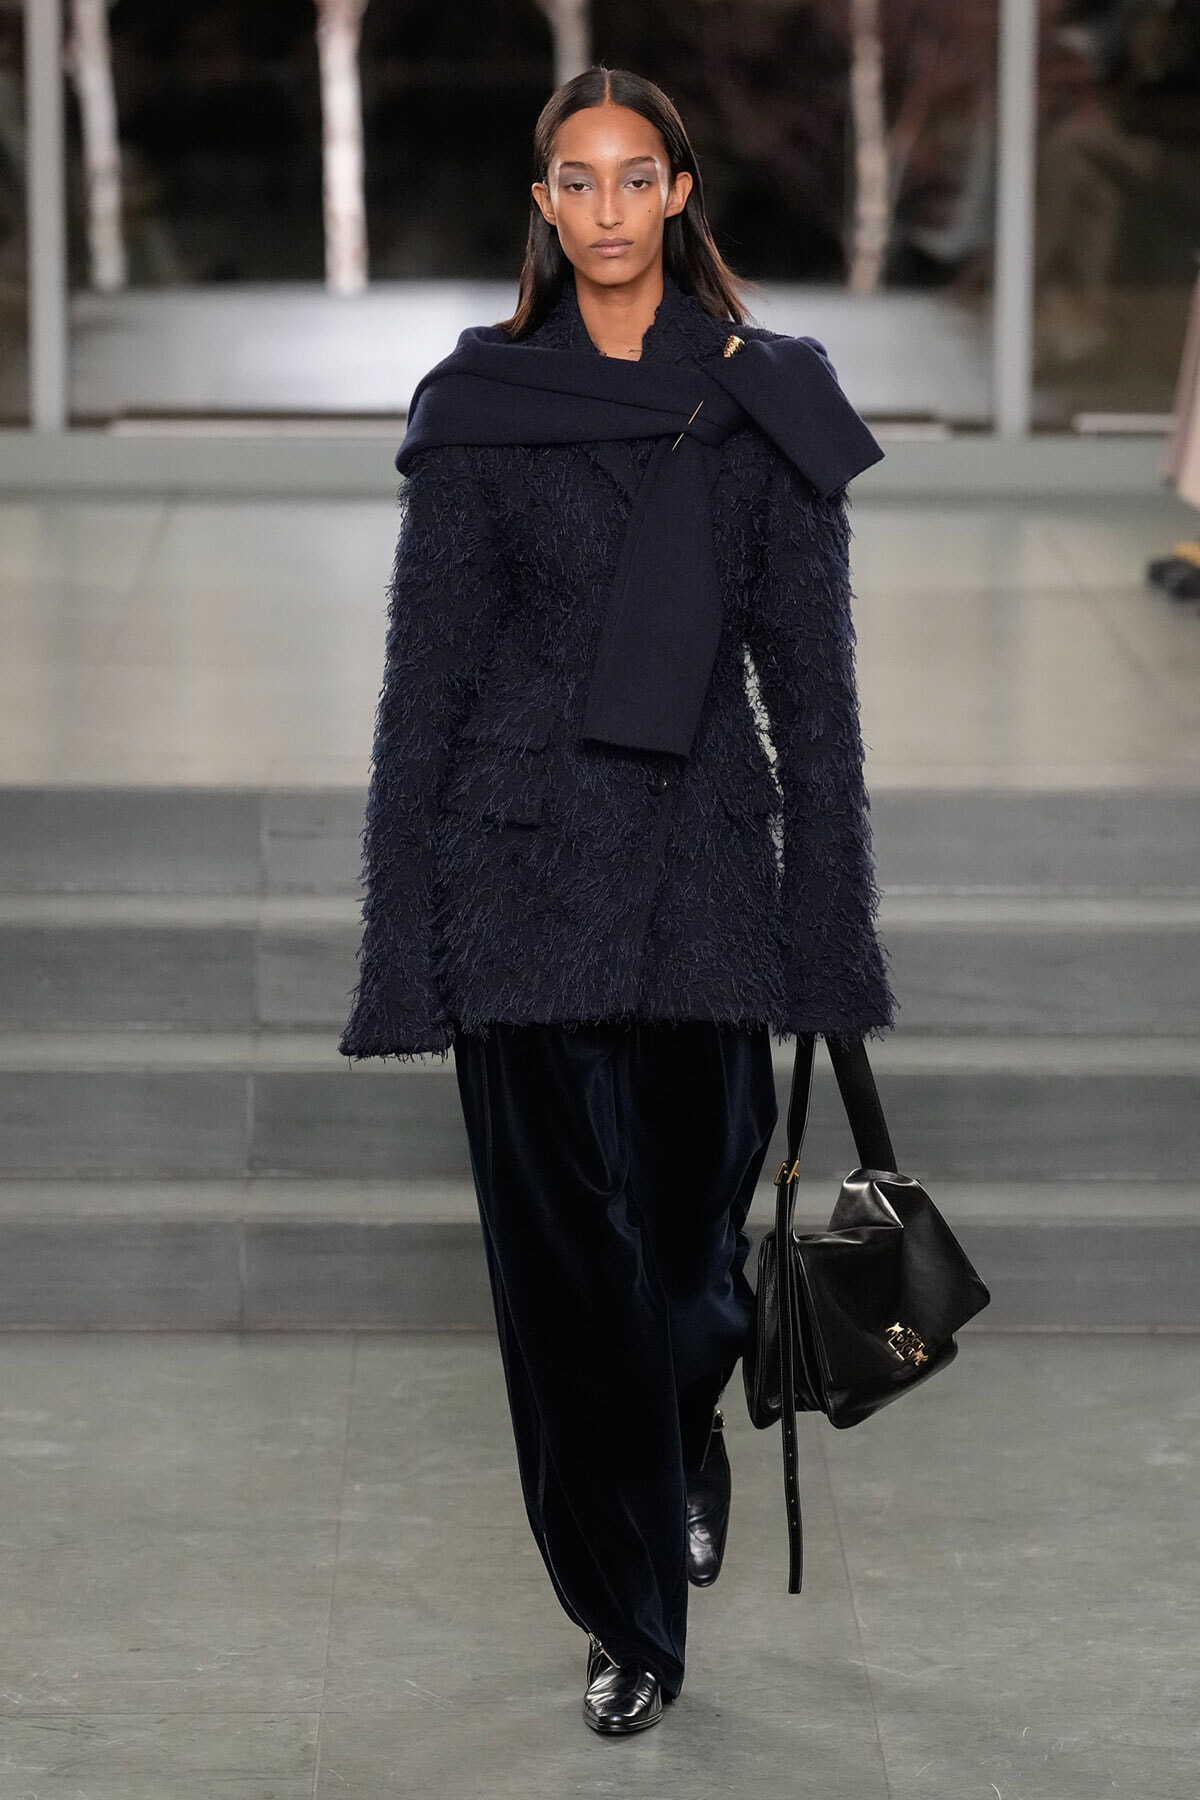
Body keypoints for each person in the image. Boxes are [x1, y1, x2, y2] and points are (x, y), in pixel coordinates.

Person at [339, 65, 896, 1735]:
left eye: (631, 177)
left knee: (688, 1266)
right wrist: (401, 934)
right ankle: (629, 1618)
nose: (603, 208)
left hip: (701, 877)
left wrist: (828, 925)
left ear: (678, 192)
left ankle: (683, 1431)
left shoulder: (767, 400)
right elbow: (425, 680)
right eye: (573, 181)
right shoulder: (483, 402)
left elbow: (815, 692)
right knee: (567, 1286)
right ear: (543, 205)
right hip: (513, 879)